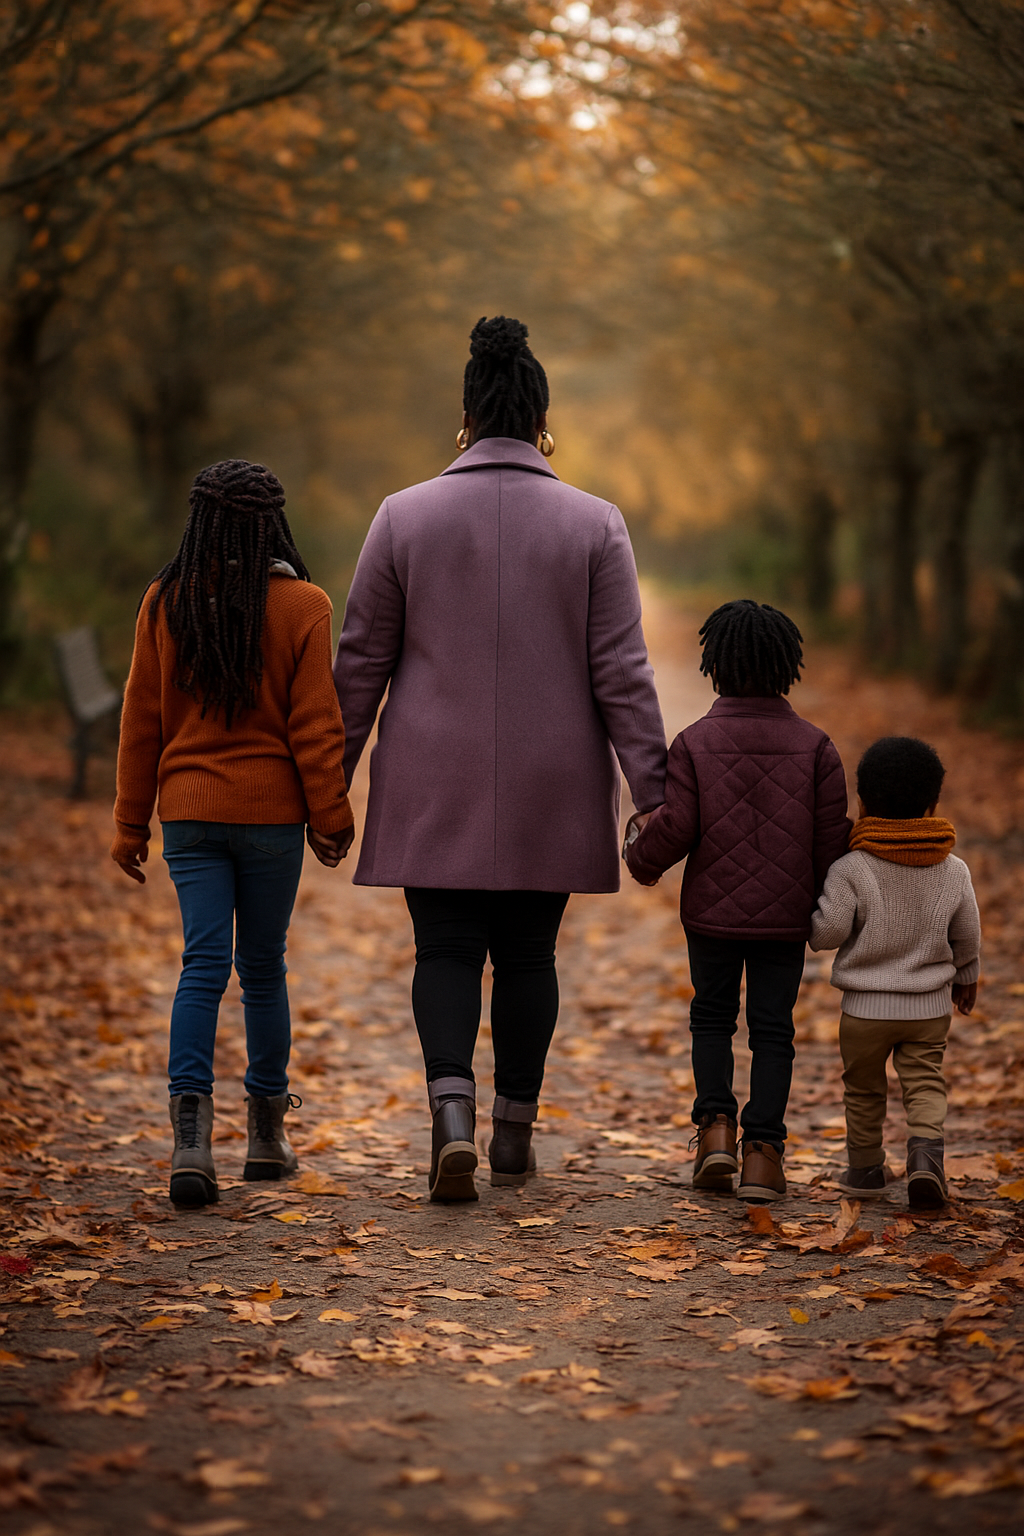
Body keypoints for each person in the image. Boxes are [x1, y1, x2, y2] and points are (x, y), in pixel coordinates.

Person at [333, 316, 666, 1202]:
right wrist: (655, 789)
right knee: (528, 956)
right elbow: (622, 671)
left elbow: (360, 663)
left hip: (430, 773)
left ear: (467, 417)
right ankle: (513, 1133)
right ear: (542, 421)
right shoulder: (595, 523)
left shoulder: (402, 516)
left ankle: (451, 1116)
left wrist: (327, 783)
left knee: (443, 949)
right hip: (551, 777)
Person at [111, 459, 355, 1208]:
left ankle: (190, 1140)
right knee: (263, 969)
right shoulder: (305, 605)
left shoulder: (165, 601)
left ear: (202, 522)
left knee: (202, 966)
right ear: (272, 525)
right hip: (273, 819)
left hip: (188, 816)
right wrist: (331, 816)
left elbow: (141, 719)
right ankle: (265, 1136)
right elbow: (316, 726)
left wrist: (129, 822)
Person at [624, 599, 850, 1202]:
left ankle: (716, 1132)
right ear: (785, 668)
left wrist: (639, 858)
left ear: (716, 666)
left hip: (712, 917)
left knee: (712, 1018)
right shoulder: (818, 748)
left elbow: (677, 827)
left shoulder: (694, 743)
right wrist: (828, 911)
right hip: (785, 919)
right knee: (773, 1030)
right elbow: (831, 845)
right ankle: (764, 1157)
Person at [809, 737, 981, 1206]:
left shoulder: (850, 868)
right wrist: (966, 975)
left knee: (863, 1089)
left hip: (864, 1012)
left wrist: (813, 916)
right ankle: (925, 1159)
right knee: (924, 1082)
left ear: (862, 804)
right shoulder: (954, 870)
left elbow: (827, 933)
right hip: (928, 1009)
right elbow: (967, 935)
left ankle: (865, 1168)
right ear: (933, 805)